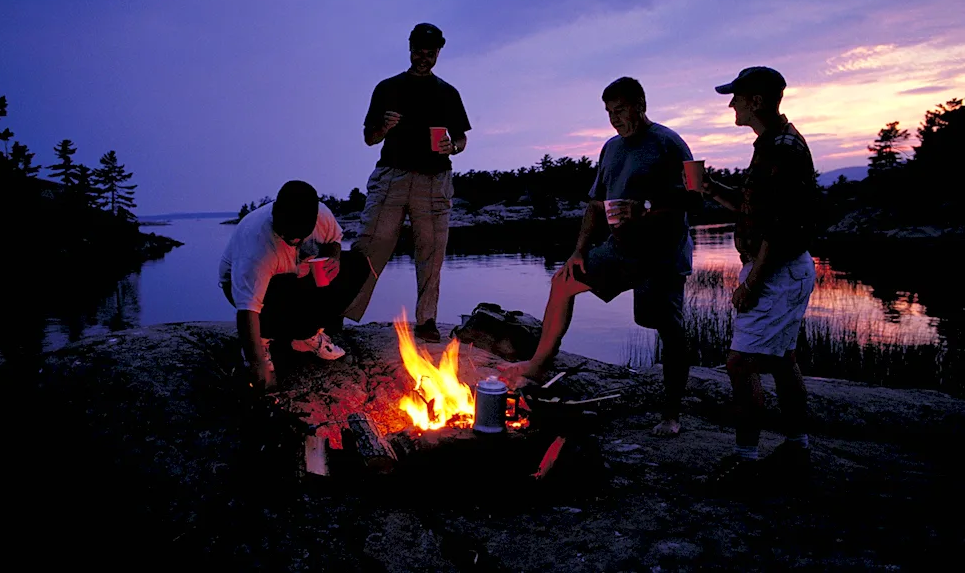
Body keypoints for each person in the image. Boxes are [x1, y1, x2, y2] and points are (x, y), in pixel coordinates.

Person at [499, 77, 699, 437]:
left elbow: (694, 198)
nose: (614, 119)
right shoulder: (611, 148)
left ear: (640, 104)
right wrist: (578, 250)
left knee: (668, 329)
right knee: (563, 283)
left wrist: (647, 208)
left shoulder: (670, 144)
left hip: (663, 254)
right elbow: (594, 204)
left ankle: (671, 414)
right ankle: (538, 367)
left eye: (619, 110)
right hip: (620, 250)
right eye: (609, 112)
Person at [705, 66, 819, 488]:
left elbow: (780, 226)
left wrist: (752, 283)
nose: (731, 103)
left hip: (777, 270)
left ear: (755, 100)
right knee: (782, 360)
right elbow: (758, 210)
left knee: (739, 364)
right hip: (787, 268)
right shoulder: (773, 143)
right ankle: (797, 445)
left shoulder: (781, 148)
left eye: (736, 96)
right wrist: (711, 188)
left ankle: (746, 460)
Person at [344, 22, 471, 343]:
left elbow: (461, 138)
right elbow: (368, 138)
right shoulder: (387, 88)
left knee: (432, 250)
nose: (423, 59)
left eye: (430, 53)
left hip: (434, 180)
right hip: (392, 176)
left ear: (439, 53)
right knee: (371, 244)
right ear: (409, 48)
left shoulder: (448, 92)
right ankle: (340, 311)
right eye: (418, 51)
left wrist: (452, 147)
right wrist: (383, 128)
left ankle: (426, 320)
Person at [219, 180, 370, 390]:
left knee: (356, 265)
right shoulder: (257, 248)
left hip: (296, 275)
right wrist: (258, 364)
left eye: (300, 237)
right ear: (275, 215)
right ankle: (262, 340)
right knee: (280, 287)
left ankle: (305, 336)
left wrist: (332, 260)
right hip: (260, 290)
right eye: (288, 237)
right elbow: (247, 310)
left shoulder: (320, 214)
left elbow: (334, 241)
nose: (294, 241)